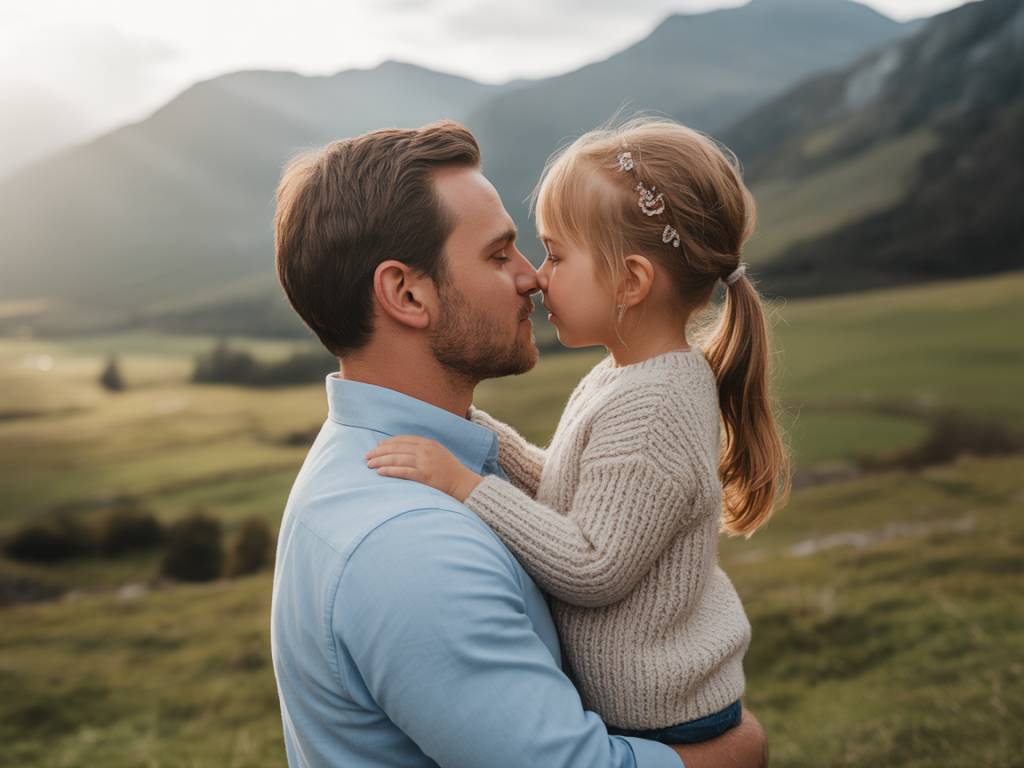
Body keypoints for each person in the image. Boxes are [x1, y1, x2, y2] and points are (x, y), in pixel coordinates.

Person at [270, 119, 768, 767]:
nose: (533, 278)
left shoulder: (364, 461)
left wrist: (474, 452)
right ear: (407, 293)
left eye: (547, 254)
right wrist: (741, 752)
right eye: (501, 254)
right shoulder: (412, 550)